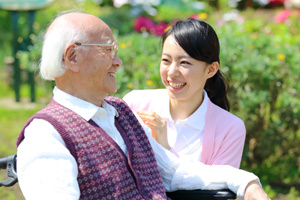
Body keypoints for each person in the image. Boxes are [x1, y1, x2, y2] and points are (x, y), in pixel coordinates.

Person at [16, 11, 270, 200]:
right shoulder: (45, 136)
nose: (118, 61)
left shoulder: (121, 112)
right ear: (73, 57)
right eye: (108, 49)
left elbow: (173, 171)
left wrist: (247, 182)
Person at [123, 19, 245, 168]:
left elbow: (217, 185)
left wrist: (164, 149)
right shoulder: (135, 104)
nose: (172, 72)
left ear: (211, 69)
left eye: (184, 63)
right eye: (166, 60)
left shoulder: (230, 128)